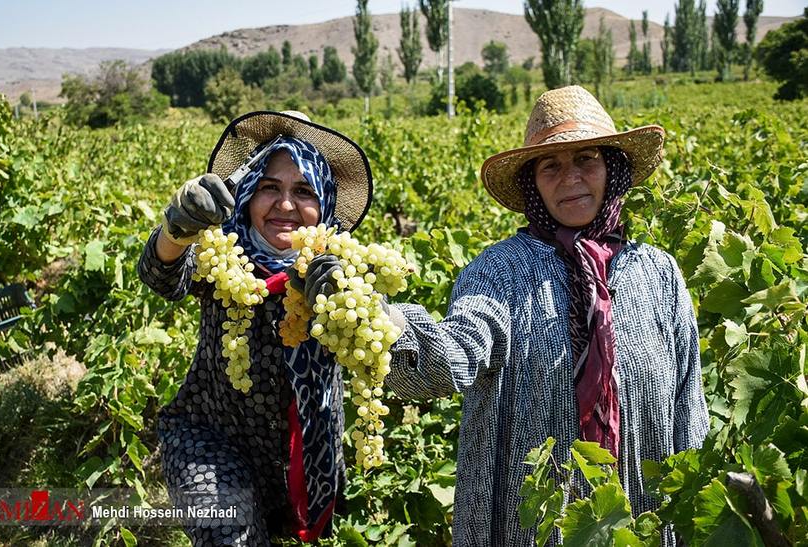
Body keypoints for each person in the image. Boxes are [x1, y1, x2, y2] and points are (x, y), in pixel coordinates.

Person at [299, 85, 710, 546]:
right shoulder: (499, 271)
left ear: (612, 170)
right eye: (550, 165)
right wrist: (383, 320)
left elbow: (688, 410)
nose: (570, 177)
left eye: (587, 159)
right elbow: (455, 353)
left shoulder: (658, 273)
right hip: (528, 531)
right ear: (532, 182)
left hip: (643, 524)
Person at [138, 110, 373, 546]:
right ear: (247, 195)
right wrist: (178, 228)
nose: (286, 205)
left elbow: (378, 339)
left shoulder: (341, 270)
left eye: (303, 191)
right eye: (270, 187)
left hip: (303, 459)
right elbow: (160, 272)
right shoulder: (223, 258)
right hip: (209, 445)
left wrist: (344, 302)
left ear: (324, 202)